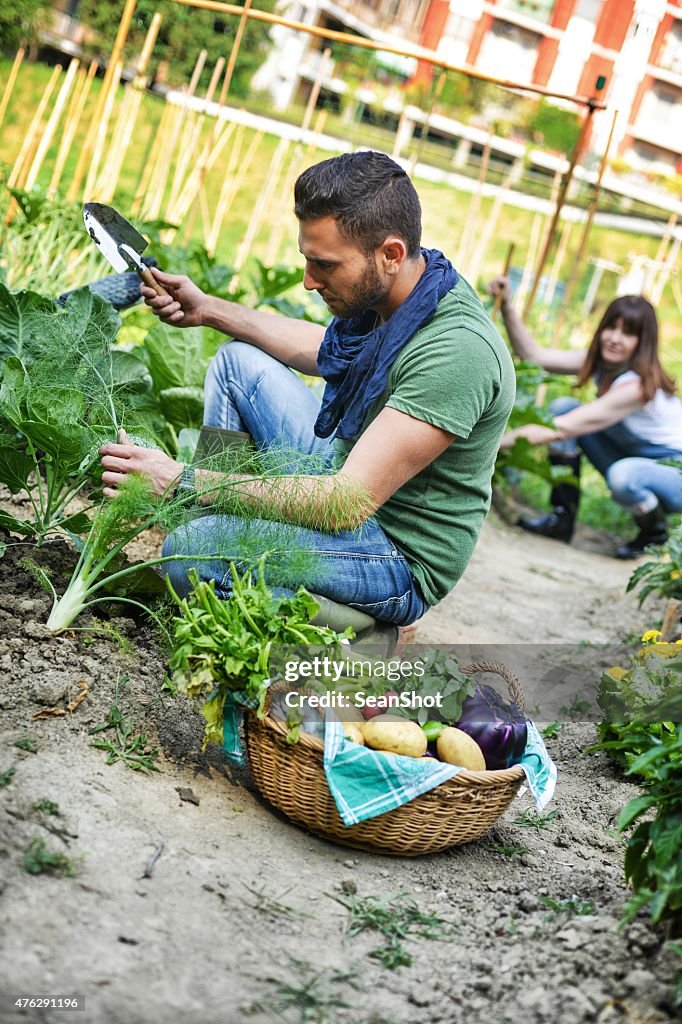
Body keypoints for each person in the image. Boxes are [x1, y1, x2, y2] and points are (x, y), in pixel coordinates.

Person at [99, 152, 515, 626]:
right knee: (238, 363)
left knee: (190, 552)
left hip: (391, 552)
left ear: (391, 254)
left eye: (325, 265)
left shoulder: (458, 350)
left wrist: (180, 480)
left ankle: (358, 631)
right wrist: (207, 310)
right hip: (344, 472)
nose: (308, 281)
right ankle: (217, 523)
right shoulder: (400, 294)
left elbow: (345, 503)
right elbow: (320, 349)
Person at [490, 277, 682, 558]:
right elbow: (532, 354)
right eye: (611, 328)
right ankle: (562, 518)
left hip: (675, 471)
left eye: (627, 333)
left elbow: (559, 429)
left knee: (622, 475)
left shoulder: (636, 387)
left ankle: (654, 535)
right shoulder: (604, 364)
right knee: (564, 407)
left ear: (642, 343)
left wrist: (488, 444)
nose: (614, 338)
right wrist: (507, 305)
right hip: (639, 455)